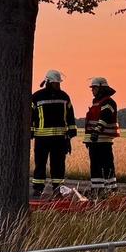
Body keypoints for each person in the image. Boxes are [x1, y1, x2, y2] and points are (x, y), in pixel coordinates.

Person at [29, 70, 77, 199]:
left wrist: (71, 131)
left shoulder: (64, 97)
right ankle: (38, 189)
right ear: (48, 82)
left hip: (60, 139)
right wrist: (31, 131)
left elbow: (70, 115)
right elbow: (31, 116)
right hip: (42, 138)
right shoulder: (37, 97)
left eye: (58, 83)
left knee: (58, 165)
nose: (58, 85)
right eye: (56, 83)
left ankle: (58, 189)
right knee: (40, 164)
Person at [83, 76, 119, 197]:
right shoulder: (97, 102)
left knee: (107, 165)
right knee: (95, 166)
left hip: (102, 139)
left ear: (101, 88)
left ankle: (111, 190)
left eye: (94, 88)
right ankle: (97, 189)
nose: (92, 90)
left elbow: (105, 116)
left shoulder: (108, 102)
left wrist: (97, 131)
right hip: (95, 140)